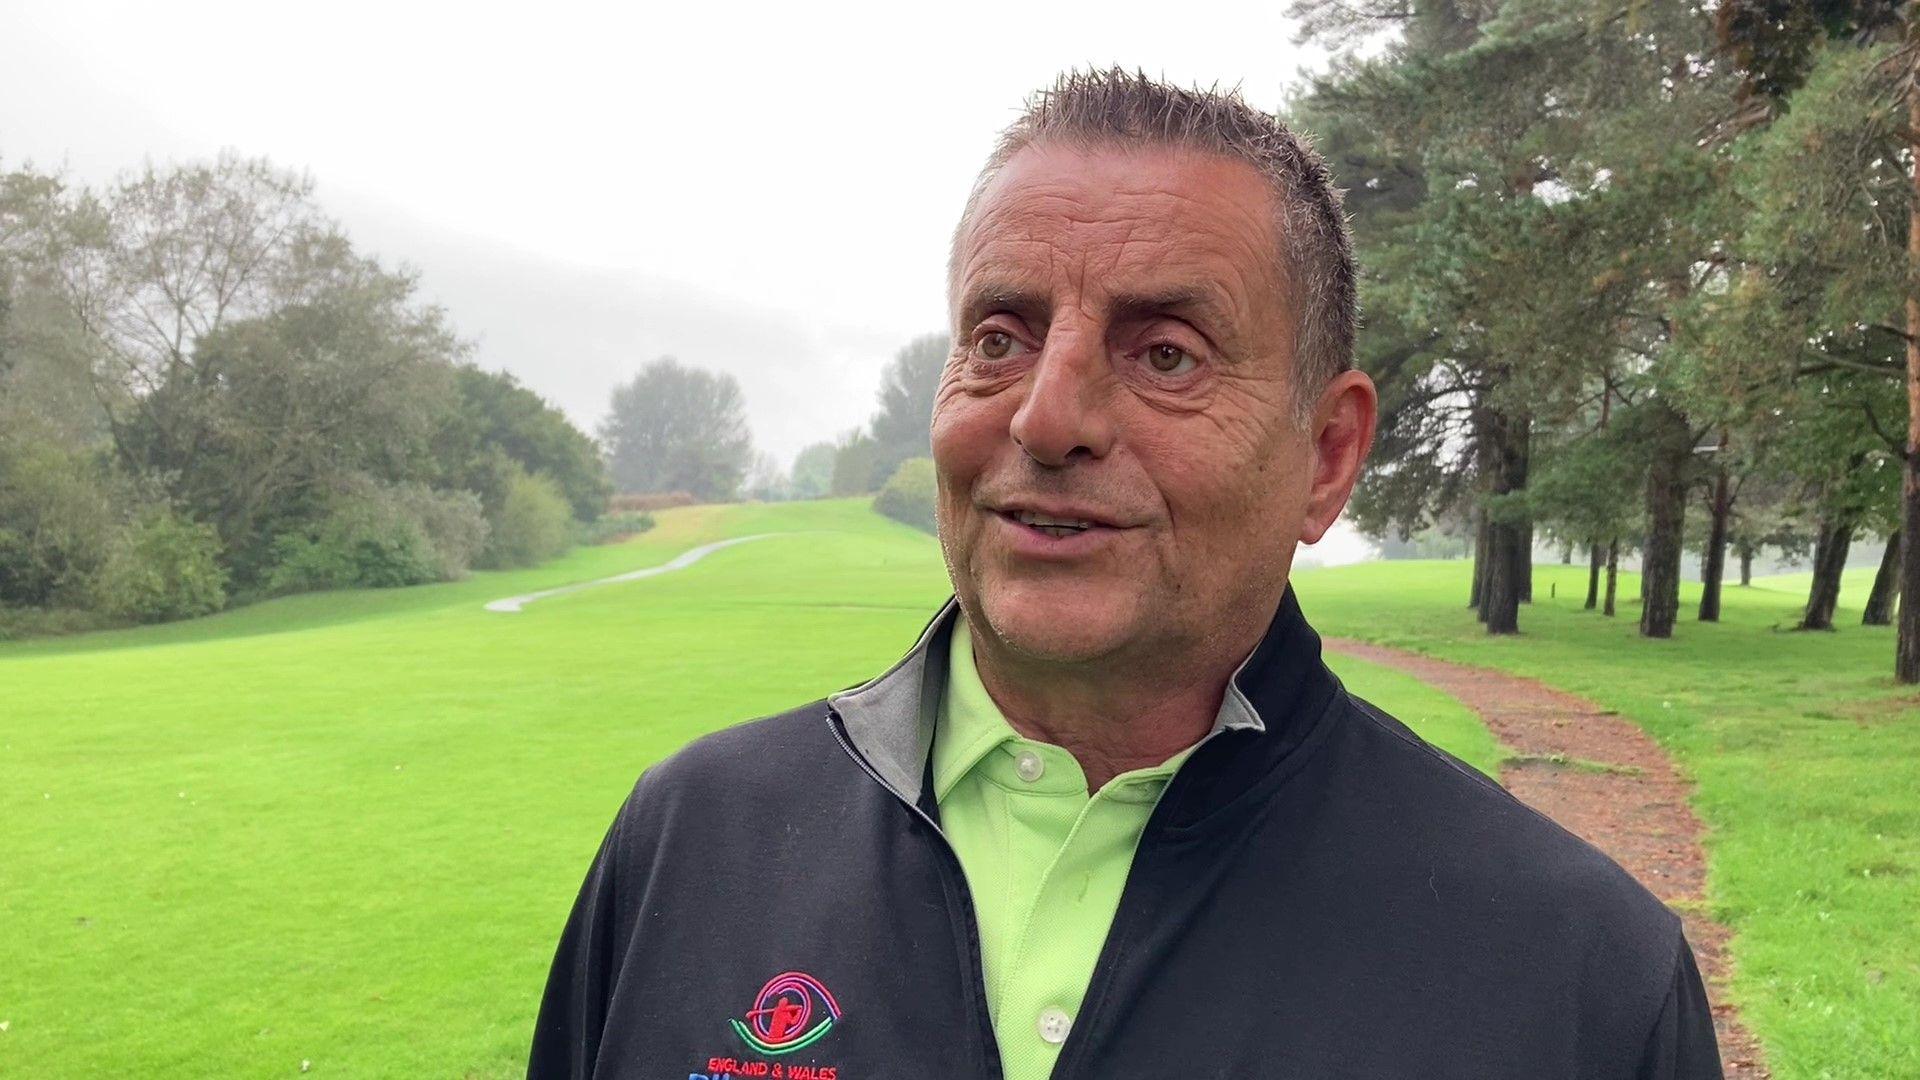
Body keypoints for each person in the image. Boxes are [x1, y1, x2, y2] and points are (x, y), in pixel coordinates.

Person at [528, 68, 1724, 1080]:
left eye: (1166, 352)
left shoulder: (1579, 976)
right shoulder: (689, 841)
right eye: (999, 339)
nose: (1048, 419)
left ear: (1327, 455)